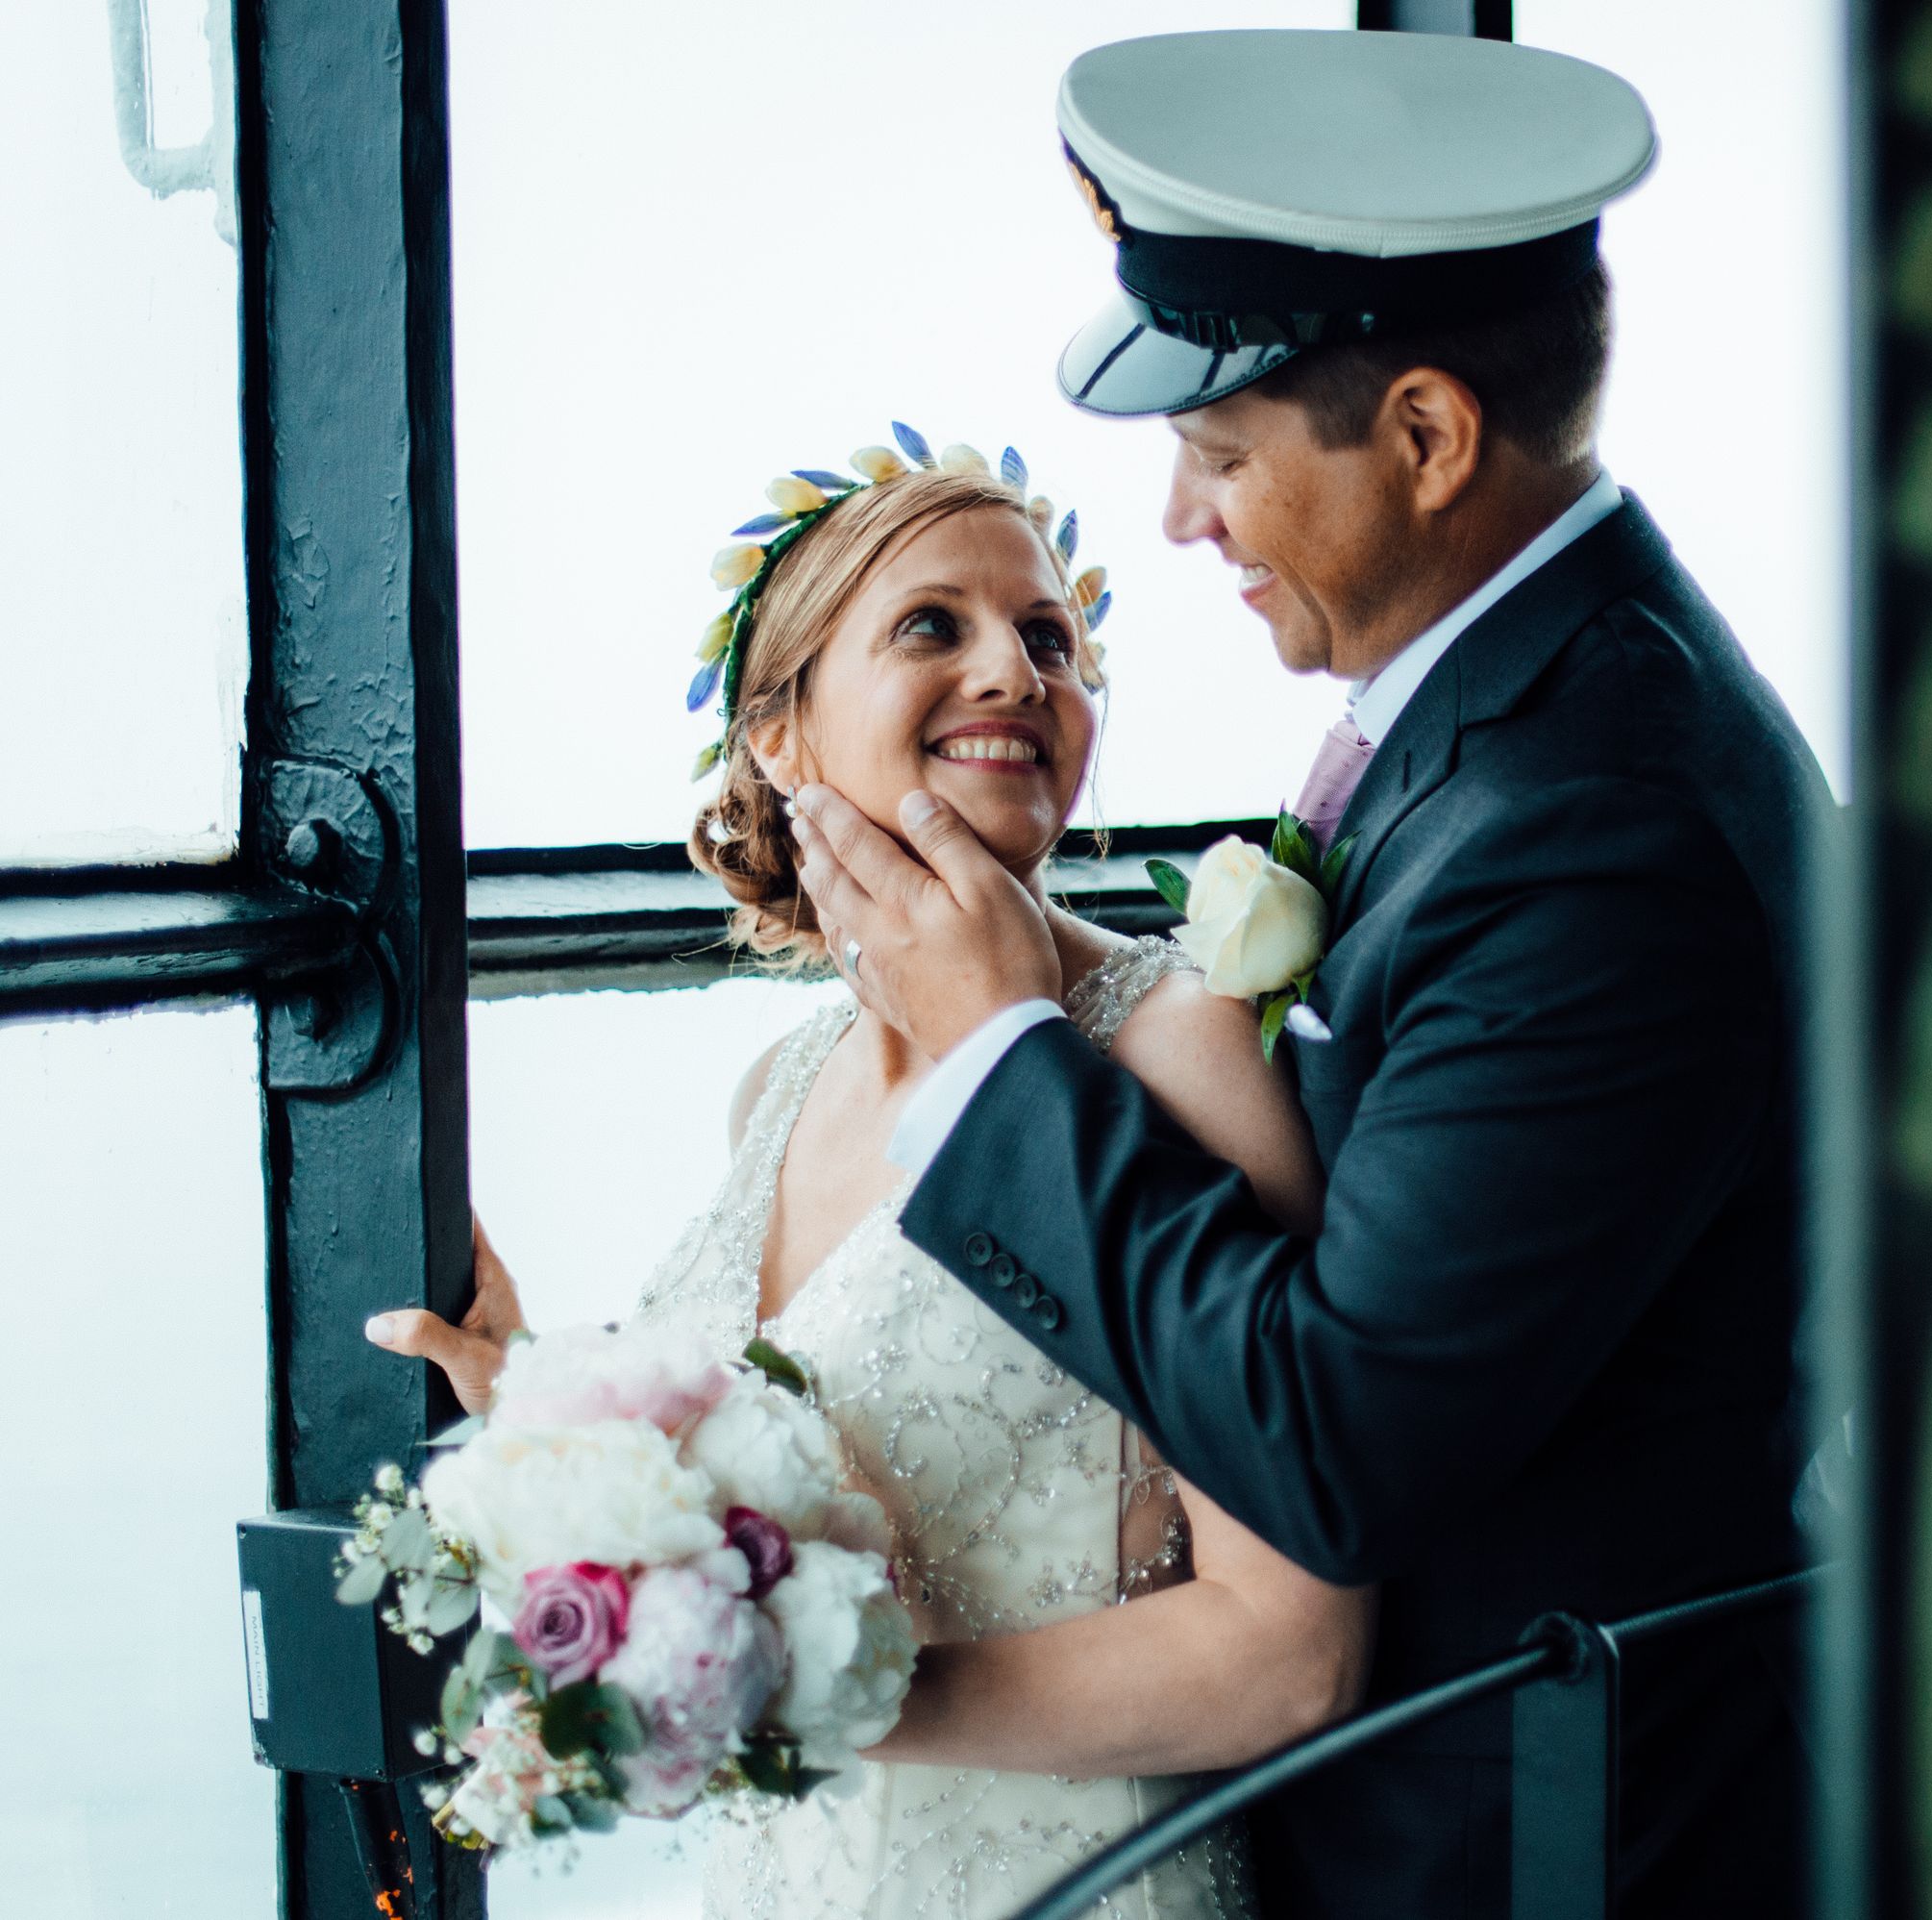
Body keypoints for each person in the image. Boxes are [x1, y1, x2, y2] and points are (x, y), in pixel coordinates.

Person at [787, 30, 1825, 1919]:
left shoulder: (1600, 820)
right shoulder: (1507, 726)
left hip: (1546, 1844)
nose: (1180, 524)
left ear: (1427, 437)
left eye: (1216, 455)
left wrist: (1001, 1046)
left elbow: (1339, 1447)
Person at [370, 449, 1360, 1916]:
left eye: (1049, 639)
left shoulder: (1182, 1048)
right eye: (931, 626)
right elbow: (794, 1487)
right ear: (779, 732)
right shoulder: (776, 1086)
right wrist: (547, 1415)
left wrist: (814, 1697)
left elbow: (1291, 1655)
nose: (1013, 672)